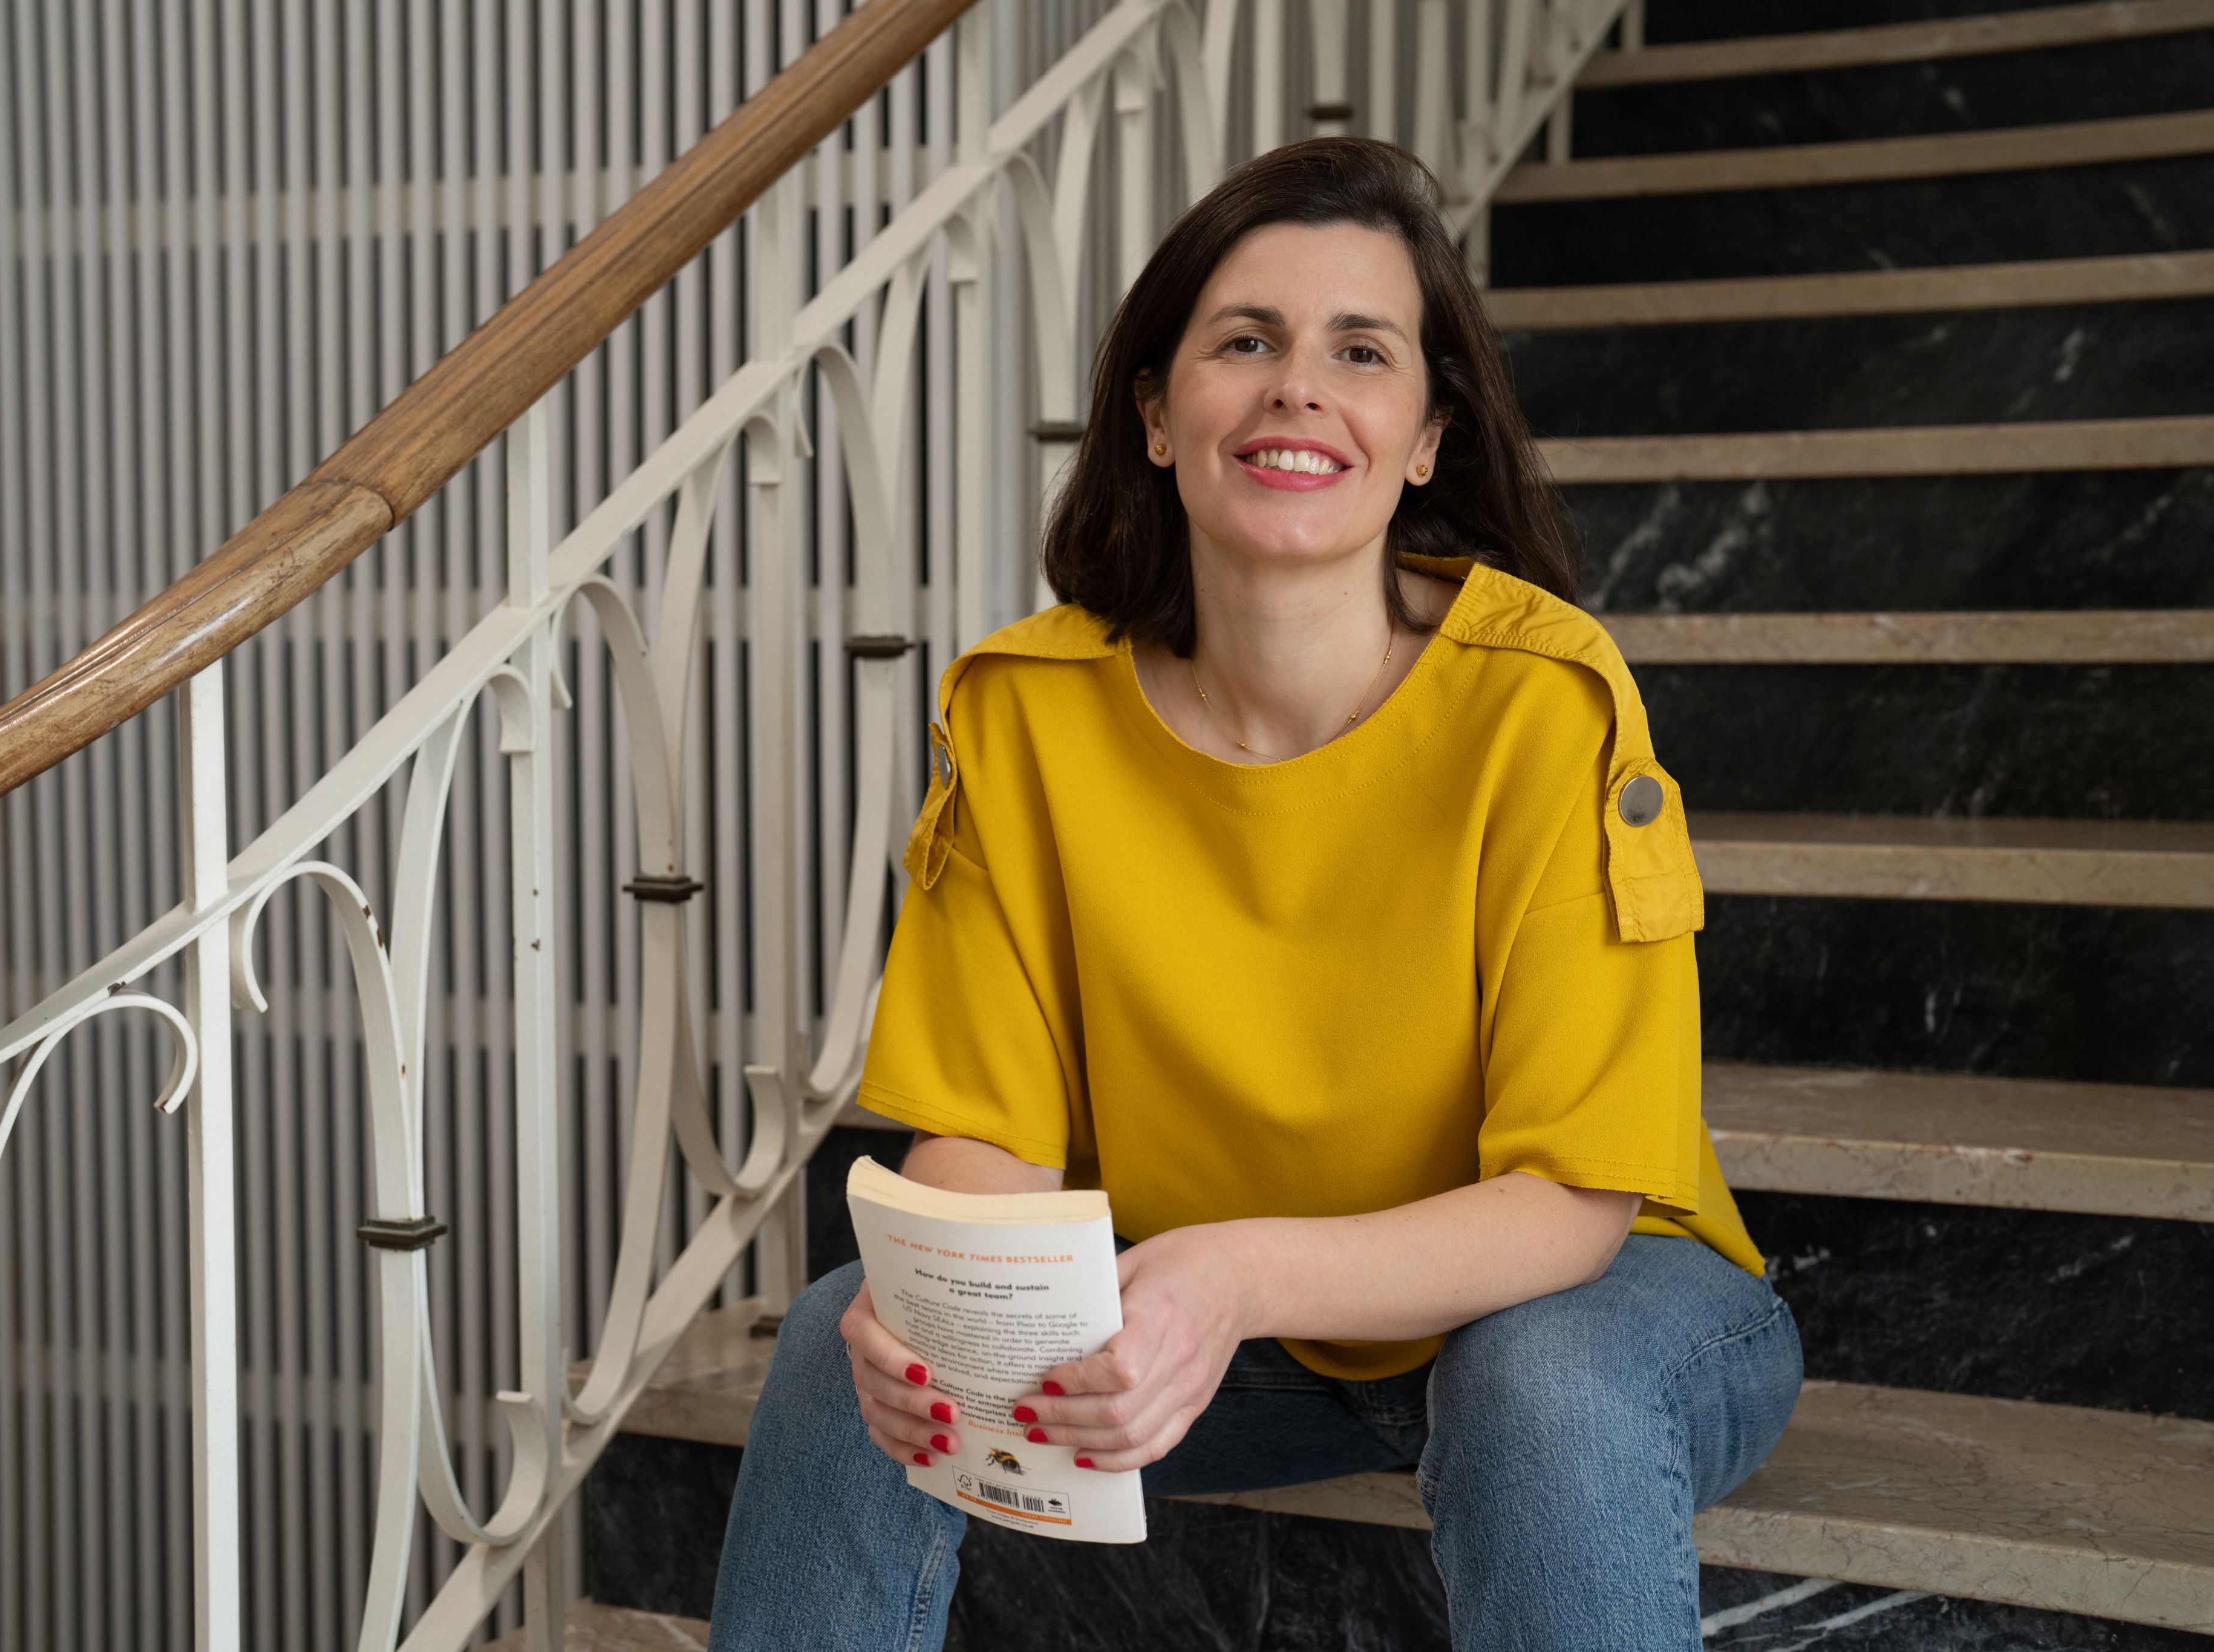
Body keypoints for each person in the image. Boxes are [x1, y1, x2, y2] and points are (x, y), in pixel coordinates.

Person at [708, 136, 1801, 1651]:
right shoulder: (1028, 714)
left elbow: (1571, 1196)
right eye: (1245, 341)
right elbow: (985, 1138)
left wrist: (1230, 1267)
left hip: (1586, 1306)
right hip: (1214, 1340)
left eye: (1360, 351)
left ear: (1425, 436)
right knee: (841, 1344)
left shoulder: (1544, 705)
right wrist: (941, 1316)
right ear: (1156, 413)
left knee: (1531, 1381)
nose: (1298, 387)